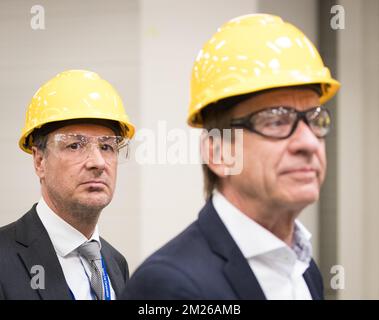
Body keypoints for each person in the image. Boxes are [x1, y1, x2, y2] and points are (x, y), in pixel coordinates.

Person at [123, 14, 340, 300]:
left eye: (314, 119)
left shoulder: (305, 270)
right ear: (218, 152)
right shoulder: (168, 286)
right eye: (276, 121)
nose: (308, 142)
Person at [0, 70, 135, 300]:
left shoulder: (115, 263)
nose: (98, 162)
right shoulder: (4, 258)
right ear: (40, 161)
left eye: (107, 147)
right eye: (75, 145)